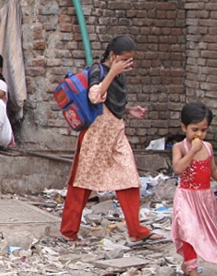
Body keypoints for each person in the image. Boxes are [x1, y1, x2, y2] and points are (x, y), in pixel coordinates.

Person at [59, 35, 161, 245]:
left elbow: (113, 102)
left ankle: (136, 230)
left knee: (129, 179)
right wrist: (113, 72)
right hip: (96, 133)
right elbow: (95, 96)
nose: (127, 64)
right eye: (124, 59)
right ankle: (69, 231)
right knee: (82, 182)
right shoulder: (99, 70)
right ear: (113, 56)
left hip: (115, 132)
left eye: (130, 60)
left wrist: (130, 109)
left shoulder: (118, 75)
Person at [171, 102, 217, 276]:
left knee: (201, 234)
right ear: (184, 127)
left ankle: (188, 265)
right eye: (195, 130)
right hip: (186, 197)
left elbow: (213, 170)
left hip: (204, 197)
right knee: (188, 233)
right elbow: (178, 168)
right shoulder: (180, 147)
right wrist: (192, 151)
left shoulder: (208, 147)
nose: (199, 135)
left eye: (203, 130)